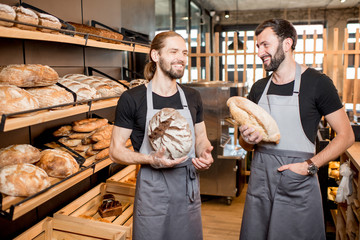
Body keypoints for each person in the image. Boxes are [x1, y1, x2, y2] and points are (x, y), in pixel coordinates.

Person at [238, 19, 354, 240]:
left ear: (287, 43)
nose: (260, 52)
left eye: (265, 45)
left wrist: (309, 166)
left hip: (297, 181)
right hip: (261, 185)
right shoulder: (258, 88)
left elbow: (346, 136)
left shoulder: (318, 83)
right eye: (258, 47)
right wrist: (247, 139)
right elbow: (244, 145)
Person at [109, 31, 214, 240]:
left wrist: (204, 153)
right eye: (173, 51)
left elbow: (201, 138)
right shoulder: (132, 99)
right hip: (153, 187)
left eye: (184, 53)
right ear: (155, 56)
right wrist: (149, 159)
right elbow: (115, 151)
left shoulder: (192, 96)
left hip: (187, 186)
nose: (181, 58)